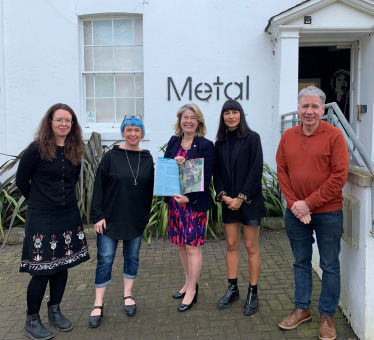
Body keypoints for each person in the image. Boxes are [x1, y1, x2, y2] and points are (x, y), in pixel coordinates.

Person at [276, 86, 349, 340]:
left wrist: (309, 203)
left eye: (314, 106)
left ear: (322, 109)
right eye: (305, 106)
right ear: (298, 108)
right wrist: (296, 204)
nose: (309, 111)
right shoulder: (288, 136)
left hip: (328, 212)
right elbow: (282, 170)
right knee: (300, 262)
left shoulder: (335, 136)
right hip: (296, 212)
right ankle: (302, 308)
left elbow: (339, 176)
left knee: (329, 265)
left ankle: (327, 315)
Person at [16, 103, 89, 340]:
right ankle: (32, 319)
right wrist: (39, 201)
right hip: (42, 216)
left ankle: (54, 310)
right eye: (59, 120)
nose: (64, 124)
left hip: (67, 213)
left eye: (68, 121)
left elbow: (73, 181)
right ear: (50, 122)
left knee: (62, 264)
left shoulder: (74, 148)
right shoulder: (36, 149)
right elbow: (21, 181)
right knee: (42, 270)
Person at [89, 115, 154, 328]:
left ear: (142, 134)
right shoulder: (111, 156)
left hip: (136, 218)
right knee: (105, 260)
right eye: (129, 130)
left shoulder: (147, 158)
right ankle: (98, 303)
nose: (133, 134)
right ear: (123, 133)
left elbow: (152, 188)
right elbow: (98, 187)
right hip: (110, 219)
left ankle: (128, 295)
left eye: (137, 130)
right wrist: (97, 215)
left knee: (132, 258)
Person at [213, 99, 266, 316]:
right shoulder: (220, 142)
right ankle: (232, 288)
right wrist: (225, 197)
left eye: (235, 112)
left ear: (241, 115)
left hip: (250, 202)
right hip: (228, 203)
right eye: (227, 113)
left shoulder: (253, 138)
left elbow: (256, 170)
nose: (231, 116)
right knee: (231, 245)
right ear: (223, 117)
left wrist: (241, 198)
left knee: (251, 247)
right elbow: (217, 173)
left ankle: (253, 292)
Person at [164, 103, 214, 312]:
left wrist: (189, 198)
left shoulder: (205, 145)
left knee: (193, 247)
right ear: (180, 120)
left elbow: (206, 176)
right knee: (181, 246)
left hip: (193, 205)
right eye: (185, 117)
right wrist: (174, 163)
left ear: (198, 121)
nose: (189, 121)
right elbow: (166, 169)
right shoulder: (174, 141)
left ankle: (192, 290)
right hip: (175, 205)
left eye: (193, 118)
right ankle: (187, 282)